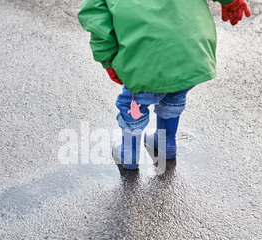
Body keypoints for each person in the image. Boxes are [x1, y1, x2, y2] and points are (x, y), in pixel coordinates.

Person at [78, 0, 251, 169]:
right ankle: (166, 143)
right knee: (174, 92)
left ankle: (129, 154)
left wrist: (107, 59)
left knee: (133, 103)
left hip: (147, 57)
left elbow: (96, 18)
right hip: (192, 50)